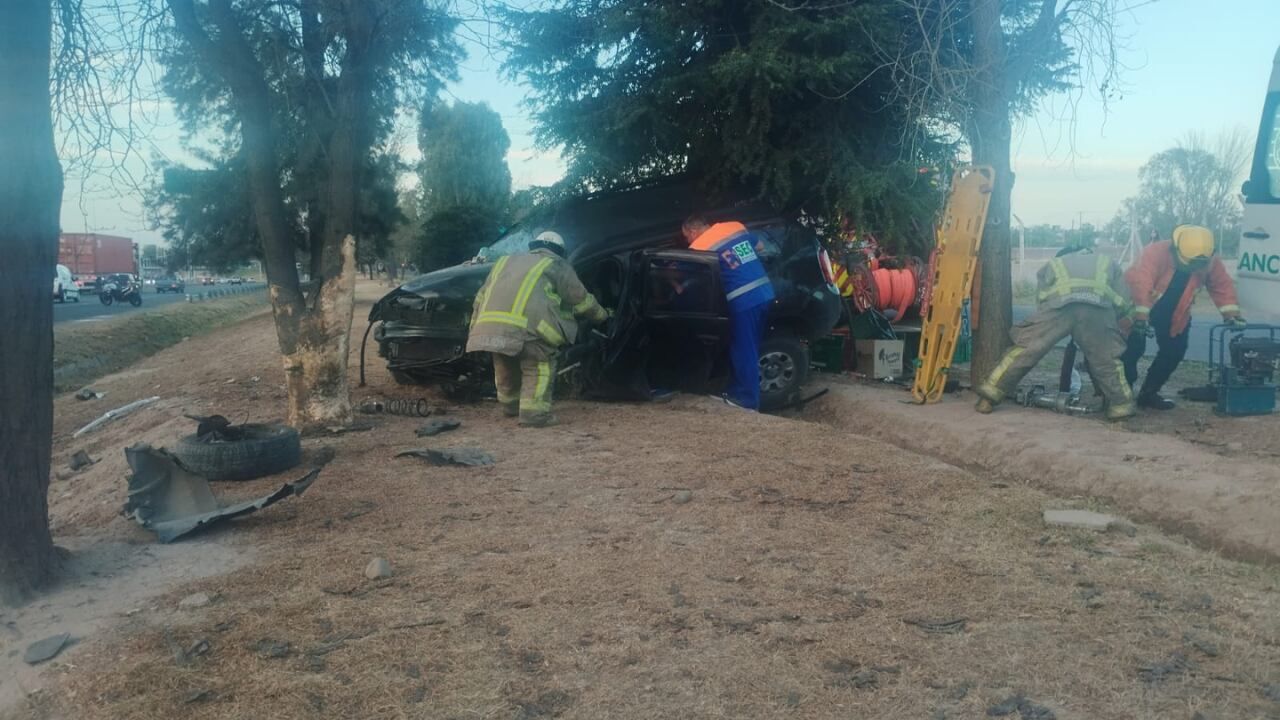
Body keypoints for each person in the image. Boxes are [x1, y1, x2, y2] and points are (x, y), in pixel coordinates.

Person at [974, 247, 1137, 421]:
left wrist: (1050, 322)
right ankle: (1121, 407)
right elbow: (1122, 300)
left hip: (1059, 307)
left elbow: (1042, 298)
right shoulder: (1108, 262)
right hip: (1096, 309)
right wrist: (1110, 321)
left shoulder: (1055, 263)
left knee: (1027, 350)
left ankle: (989, 396)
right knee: (1105, 359)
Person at [466, 231, 609, 427]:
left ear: (534, 245)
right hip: (530, 329)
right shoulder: (556, 264)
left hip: (491, 326)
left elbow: (480, 298)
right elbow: (580, 300)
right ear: (560, 251)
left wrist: (474, 329)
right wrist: (603, 316)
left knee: (505, 365)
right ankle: (534, 415)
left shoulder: (505, 261)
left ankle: (510, 406)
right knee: (538, 366)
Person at [1121, 225, 1244, 410]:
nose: (1194, 267)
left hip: (1175, 311)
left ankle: (1149, 393)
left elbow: (1221, 285)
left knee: (1174, 351)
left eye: (1198, 264)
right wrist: (1141, 317)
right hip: (1138, 307)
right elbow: (1141, 285)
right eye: (1190, 263)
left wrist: (1231, 315)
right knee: (1131, 350)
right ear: (1176, 249)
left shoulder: (1208, 260)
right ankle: (1122, 396)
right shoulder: (1155, 252)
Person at [682, 215, 775, 409]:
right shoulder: (734, 227)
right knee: (750, 345)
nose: (688, 241)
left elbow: (688, 275)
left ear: (693, 231)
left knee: (743, 348)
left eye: (686, 236)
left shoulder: (699, 246)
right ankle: (736, 391)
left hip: (744, 299)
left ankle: (747, 400)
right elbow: (760, 247)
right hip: (764, 292)